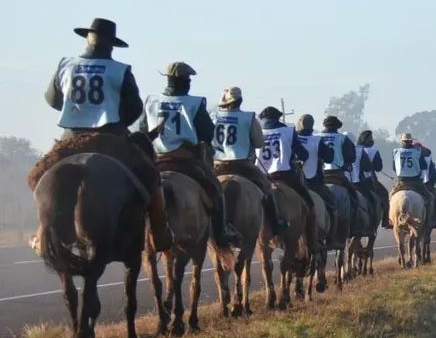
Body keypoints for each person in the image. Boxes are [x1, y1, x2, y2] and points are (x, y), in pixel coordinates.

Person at [29, 18, 173, 251]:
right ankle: (159, 232)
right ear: (111, 44)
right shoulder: (120, 70)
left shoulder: (66, 65)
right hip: (109, 139)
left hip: (71, 139)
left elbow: (53, 100)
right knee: (150, 177)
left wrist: (77, 112)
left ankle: (41, 233)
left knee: (39, 178)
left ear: (88, 39)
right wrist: (118, 122)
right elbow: (134, 108)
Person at [140, 62, 242, 247]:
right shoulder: (194, 102)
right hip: (185, 159)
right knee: (216, 192)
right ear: (184, 81)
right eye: (188, 80)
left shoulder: (151, 101)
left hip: (156, 159)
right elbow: (207, 133)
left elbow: (142, 130)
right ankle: (221, 232)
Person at [211, 87, 290, 234]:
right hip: (242, 165)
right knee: (267, 187)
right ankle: (275, 222)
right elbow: (259, 143)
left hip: (217, 164)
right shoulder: (249, 117)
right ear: (240, 101)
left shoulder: (214, 117)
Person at [257, 106, 320, 253]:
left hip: (261, 177)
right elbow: (303, 154)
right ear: (278, 118)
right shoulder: (287, 131)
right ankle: (312, 244)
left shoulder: (257, 131)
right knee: (309, 204)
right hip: (284, 175)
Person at [295, 114, 341, 247]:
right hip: (312, 183)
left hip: (292, 181)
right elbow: (329, 158)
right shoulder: (316, 140)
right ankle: (331, 238)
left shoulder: (291, 138)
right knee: (332, 205)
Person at [313, 115, 361, 229]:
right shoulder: (343, 138)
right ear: (337, 126)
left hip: (317, 175)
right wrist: (346, 164)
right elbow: (351, 157)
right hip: (337, 174)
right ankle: (355, 226)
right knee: (354, 197)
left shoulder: (315, 137)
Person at [390, 133, 432, 221]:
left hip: (401, 182)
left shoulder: (396, 152)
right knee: (430, 198)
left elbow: (394, 168)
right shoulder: (417, 151)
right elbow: (424, 166)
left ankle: (389, 220)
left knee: (389, 198)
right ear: (411, 141)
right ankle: (429, 221)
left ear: (402, 141)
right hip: (416, 182)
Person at [354, 130, 390, 229]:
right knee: (384, 194)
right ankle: (385, 220)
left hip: (350, 179)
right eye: (370, 138)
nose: (372, 140)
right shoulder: (373, 151)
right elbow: (378, 167)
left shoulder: (354, 149)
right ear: (366, 140)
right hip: (367, 180)